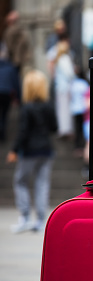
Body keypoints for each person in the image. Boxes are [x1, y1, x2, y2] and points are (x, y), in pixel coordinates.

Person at [7, 70, 57, 233]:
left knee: (20, 181)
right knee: (42, 184)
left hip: (29, 151)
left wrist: (14, 150)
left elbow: (23, 132)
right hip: (46, 150)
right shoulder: (48, 106)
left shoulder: (26, 108)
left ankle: (25, 216)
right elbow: (54, 127)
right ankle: (41, 220)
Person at [0, 42, 20, 142]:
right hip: (7, 93)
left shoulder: (11, 67)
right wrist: (18, 98)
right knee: (4, 114)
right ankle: (2, 133)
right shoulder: (11, 67)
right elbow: (16, 83)